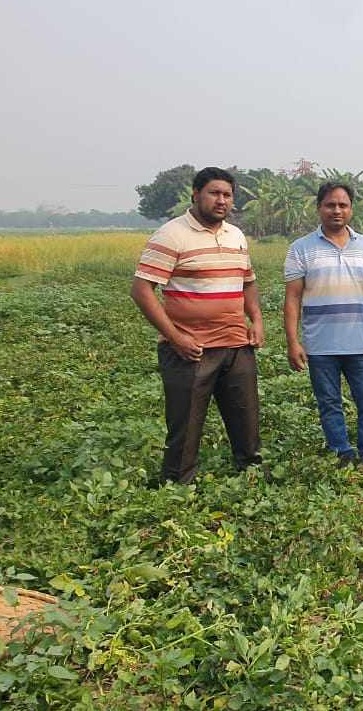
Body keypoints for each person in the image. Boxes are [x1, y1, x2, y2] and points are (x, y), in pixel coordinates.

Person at [130, 167, 263, 485]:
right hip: (190, 349)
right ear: (196, 194)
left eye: (227, 195)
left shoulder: (236, 235)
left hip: (236, 345)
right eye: (214, 193)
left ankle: (252, 478)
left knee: (246, 418)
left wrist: (256, 320)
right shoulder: (171, 234)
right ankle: (178, 486)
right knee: (186, 425)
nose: (221, 200)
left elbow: (247, 281)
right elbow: (141, 290)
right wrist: (175, 337)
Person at [283, 182, 363, 474]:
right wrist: (293, 341)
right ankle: (341, 454)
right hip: (320, 346)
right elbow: (292, 298)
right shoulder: (301, 248)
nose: (337, 210)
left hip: (362, 343)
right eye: (330, 205)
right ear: (319, 207)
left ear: (351, 209)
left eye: (343, 205)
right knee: (329, 403)